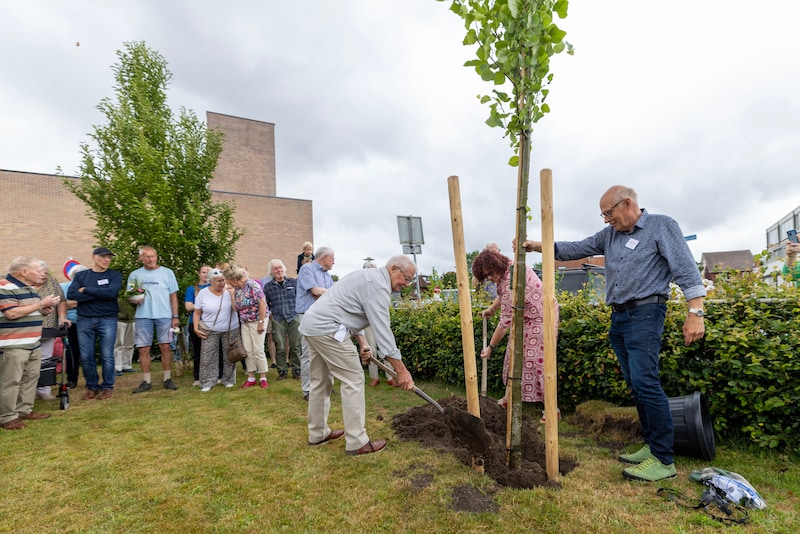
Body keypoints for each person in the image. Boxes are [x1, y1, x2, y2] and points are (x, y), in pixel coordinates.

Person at [523, 185, 706, 482]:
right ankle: (651, 445)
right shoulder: (609, 236)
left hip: (646, 313)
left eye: (609, 212)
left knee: (646, 383)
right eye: (603, 214)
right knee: (636, 384)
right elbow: (576, 248)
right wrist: (539, 246)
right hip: (620, 317)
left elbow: (686, 269)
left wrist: (695, 313)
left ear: (628, 203)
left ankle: (663, 459)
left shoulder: (661, 226)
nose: (606, 219)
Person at [299, 255, 416, 455]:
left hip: (312, 326)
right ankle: (357, 442)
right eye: (406, 278)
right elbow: (384, 334)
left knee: (320, 382)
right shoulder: (379, 287)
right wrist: (401, 371)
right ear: (394, 268)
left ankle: (317, 433)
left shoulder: (366, 276)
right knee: (353, 378)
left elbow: (352, 312)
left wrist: (363, 343)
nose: (407, 284)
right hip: (328, 329)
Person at [472, 248, 558, 422]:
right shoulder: (509, 268)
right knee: (512, 356)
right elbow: (503, 296)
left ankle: (551, 410)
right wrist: (491, 309)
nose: (489, 279)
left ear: (496, 265)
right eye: (485, 277)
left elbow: (505, 322)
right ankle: (508, 399)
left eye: (489, 274)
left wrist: (490, 348)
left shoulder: (513, 276)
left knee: (538, 362)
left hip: (542, 318)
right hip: (526, 318)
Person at [1, 257, 59, 429]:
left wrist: (42, 311)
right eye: (39, 270)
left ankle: (25, 410)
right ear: (24, 272)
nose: (43, 273)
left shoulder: (30, 289)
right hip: (13, 344)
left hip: (32, 342)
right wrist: (41, 304)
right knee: (10, 381)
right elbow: (11, 314)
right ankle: (7, 417)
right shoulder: (4, 287)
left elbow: (28, 312)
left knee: (30, 377)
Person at [68, 247, 122, 400]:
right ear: (93, 257)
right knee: (86, 356)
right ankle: (92, 386)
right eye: (103, 257)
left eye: (109, 257)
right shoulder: (81, 275)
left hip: (107, 319)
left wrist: (85, 290)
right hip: (84, 319)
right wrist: (98, 294)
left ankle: (107, 386)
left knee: (107, 355)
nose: (106, 260)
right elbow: (71, 294)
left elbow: (111, 293)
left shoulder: (114, 275)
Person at [127, 246, 181, 393]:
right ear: (141, 258)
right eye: (147, 257)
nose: (150, 259)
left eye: (153, 256)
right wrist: (134, 300)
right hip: (143, 316)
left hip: (164, 315)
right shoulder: (135, 275)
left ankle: (167, 379)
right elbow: (130, 296)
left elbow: (173, 297)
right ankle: (146, 381)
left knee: (166, 347)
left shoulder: (167, 273)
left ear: (157, 257)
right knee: (144, 348)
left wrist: (175, 316)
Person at [296, 246, 335, 400]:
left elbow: (327, 295)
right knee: (308, 354)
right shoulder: (307, 269)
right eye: (332, 258)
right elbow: (315, 291)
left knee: (328, 352)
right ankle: (307, 390)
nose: (334, 262)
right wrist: (334, 293)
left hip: (324, 316)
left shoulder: (328, 276)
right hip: (308, 316)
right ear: (324, 257)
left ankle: (328, 387)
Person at [223, 264, 269, 389]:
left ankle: (263, 377)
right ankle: (251, 377)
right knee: (247, 350)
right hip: (245, 321)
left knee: (258, 349)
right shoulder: (237, 289)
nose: (228, 283)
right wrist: (232, 295)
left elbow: (262, 303)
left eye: (228, 280)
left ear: (233, 278)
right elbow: (235, 308)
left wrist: (261, 322)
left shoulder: (252, 285)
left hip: (258, 319)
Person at [192, 269, 238, 391]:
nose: (222, 283)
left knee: (229, 355)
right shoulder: (203, 293)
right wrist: (195, 328)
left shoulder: (230, 291)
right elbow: (197, 312)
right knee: (208, 356)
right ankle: (207, 382)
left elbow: (236, 309)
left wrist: (233, 296)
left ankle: (229, 380)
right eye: (218, 281)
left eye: (223, 280)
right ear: (211, 281)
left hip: (230, 328)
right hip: (209, 329)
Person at [33, 262, 69, 401]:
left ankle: (44, 390)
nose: (44, 276)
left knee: (46, 359)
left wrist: (62, 317)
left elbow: (62, 301)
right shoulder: (21, 285)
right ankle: (27, 391)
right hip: (27, 329)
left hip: (48, 327)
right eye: (40, 272)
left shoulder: (51, 281)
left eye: (46, 273)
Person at [262, 259, 301, 381]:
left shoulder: (293, 283)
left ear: (284, 269)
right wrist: (270, 314)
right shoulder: (268, 287)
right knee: (280, 346)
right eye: (275, 269)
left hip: (293, 317)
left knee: (295, 345)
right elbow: (265, 302)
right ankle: (282, 371)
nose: (279, 270)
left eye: (280, 268)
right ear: (271, 272)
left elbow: (300, 298)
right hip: (278, 319)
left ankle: (297, 370)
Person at [361, 258, 391, 387]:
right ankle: (374, 377)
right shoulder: (361, 286)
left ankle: (391, 377)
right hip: (367, 324)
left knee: (387, 347)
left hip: (381, 323)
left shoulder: (382, 285)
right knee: (370, 349)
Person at [61, 261, 88, 389]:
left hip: (87, 321)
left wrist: (74, 302)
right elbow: (63, 304)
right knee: (72, 353)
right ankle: (72, 379)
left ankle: (89, 380)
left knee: (87, 352)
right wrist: (86, 301)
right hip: (71, 323)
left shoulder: (88, 287)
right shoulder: (64, 287)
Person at [184, 265, 211, 386]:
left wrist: (198, 306)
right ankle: (198, 377)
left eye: (208, 272)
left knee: (213, 350)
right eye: (203, 272)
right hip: (195, 323)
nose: (205, 275)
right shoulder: (192, 289)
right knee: (198, 350)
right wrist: (204, 306)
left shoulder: (215, 287)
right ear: (199, 274)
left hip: (212, 323)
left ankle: (215, 374)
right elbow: (188, 306)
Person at [114, 293, 136, 376]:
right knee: (118, 344)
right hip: (119, 319)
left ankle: (126, 365)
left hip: (132, 318)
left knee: (130, 343)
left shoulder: (133, 286)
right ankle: (117, 367)